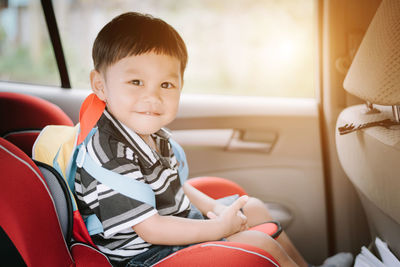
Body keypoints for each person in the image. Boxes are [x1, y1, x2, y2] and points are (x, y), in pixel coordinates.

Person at [74, 12, 352, 267]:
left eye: (166, 85)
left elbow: (177, 187)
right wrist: (219, 228)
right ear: (100, 85)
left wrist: (217, 209)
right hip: (144, 256)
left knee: (253, 207)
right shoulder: (111, 154)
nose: (153, 97)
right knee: (256, 242)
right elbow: (151, 228)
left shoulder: (152, 135)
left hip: (173, 228)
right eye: (136, 82)